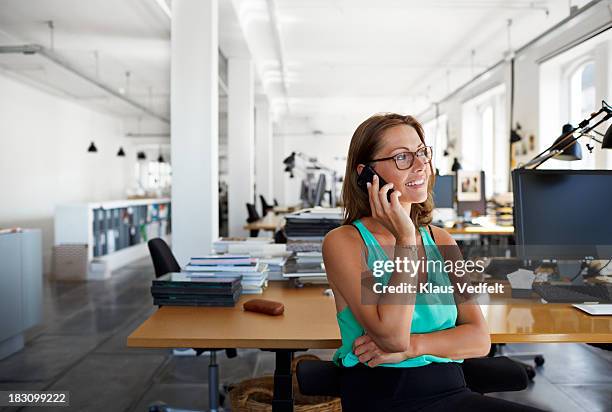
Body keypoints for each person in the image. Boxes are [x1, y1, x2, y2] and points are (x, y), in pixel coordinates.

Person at [322, 113, 543, 411]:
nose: (420, 165)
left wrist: (414, 347)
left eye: (421, 152)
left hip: (453, 389)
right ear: (367, 174)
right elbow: (391, 337)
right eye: (402, 157)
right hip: (385, 398)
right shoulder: (344, 242)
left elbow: (479, 339)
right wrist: (406, 240)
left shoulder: (442, 240)